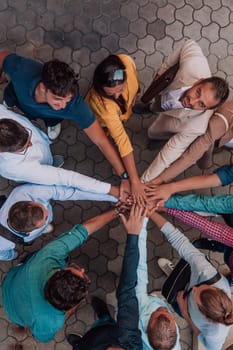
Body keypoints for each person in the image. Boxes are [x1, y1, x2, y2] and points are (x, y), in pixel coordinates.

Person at [0, 52, 131, 199]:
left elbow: (101, 141)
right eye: (57, 100)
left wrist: (124, 176)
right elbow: (3, 57)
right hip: (15, 102)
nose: (62, 106)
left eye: (66, 100)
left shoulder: (75, 107)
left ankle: (52, 123)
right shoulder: (22, 69)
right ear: (43, 88)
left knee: (54, 117)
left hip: (47, 117)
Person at [2, 207, 119, 342]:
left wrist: (117, 211)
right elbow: (41, 338)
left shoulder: (47, 257)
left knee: (31, 260)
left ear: (57, 273)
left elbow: (83, 230)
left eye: (76, 271)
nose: (82, 270)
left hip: (11, 283)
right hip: (15, 314)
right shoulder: (51, 320)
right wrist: (73, 309)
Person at [137, 39, 229, 183]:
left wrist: (142, 183)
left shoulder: (198, 127)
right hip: (164, 95)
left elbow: (167, 156)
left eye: (201, 104)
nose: (191, 101)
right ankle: (149, 108)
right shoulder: (193, 63)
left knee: (154, 131)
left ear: (208, 110)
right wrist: (161, 73)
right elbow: (188, 43)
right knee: (156, 105)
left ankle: (156, 138)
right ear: (199, 81)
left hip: (173, 121)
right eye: (198, 92)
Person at [150, 210, 233, 350]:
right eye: (199, 288)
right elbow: (180, 242)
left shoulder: (215, 334)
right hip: (191, 282)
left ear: (204, 315)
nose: (194, 288)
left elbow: (208, 344)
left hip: (184, 306)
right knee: (188, 265)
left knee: (168, 292)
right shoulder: (206, 272)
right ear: (217, 289)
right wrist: (151, 213)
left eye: (196, 293)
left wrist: (186, 313)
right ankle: (176, 275)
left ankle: (174, 283)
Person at [66, 203, 145, 350]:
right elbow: (127, 287)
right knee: (105, 323)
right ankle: (105, 317)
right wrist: (134, 236)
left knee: (84, 345)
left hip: (89, 345)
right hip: (109, 331)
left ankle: (79, 343)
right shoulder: (130, 338)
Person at [0, 105, 120, 198]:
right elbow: (67, 178)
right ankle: (48, 166)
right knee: (47, 175)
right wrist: (111, 190)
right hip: (32, 172)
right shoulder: (15, 168)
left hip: (42, 150)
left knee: (47, 160)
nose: (31, 143)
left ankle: (50, 162)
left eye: (28, 136)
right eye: (24, 148)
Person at [0, 182, 118, 261]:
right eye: (45, 218)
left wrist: (114, 197)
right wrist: (14, 255)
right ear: (27, 233)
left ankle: (44, 227)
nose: (47, 210)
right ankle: (44, 228)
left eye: (42, 207)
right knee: (45, 226)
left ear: (29, 203)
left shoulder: (27, 191)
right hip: (31, 235)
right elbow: (4, 255)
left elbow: (73, 192)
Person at [85, 54, 146, 203]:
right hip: (104, 119)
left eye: (121, 88)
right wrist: (135, 181)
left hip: (124, 113)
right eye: (111, 94)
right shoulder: (106, 109)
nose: (118, 96)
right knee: (107, 131)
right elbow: (122, 140)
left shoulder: (126, 61)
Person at [147, 99, 233, 185]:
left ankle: (218, 146)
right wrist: (161, 178)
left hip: (222, 135)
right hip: (207, 130)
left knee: (214, 146)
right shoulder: (218, 123)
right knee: (195, 148)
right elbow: (190, 156)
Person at [136, 215, 181, 349]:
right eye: (166, 312)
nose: (162, 308)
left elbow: (139, 266)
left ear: (146, 328)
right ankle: (157, 296)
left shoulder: (139, 306)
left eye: (156, 312)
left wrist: (142, 220)